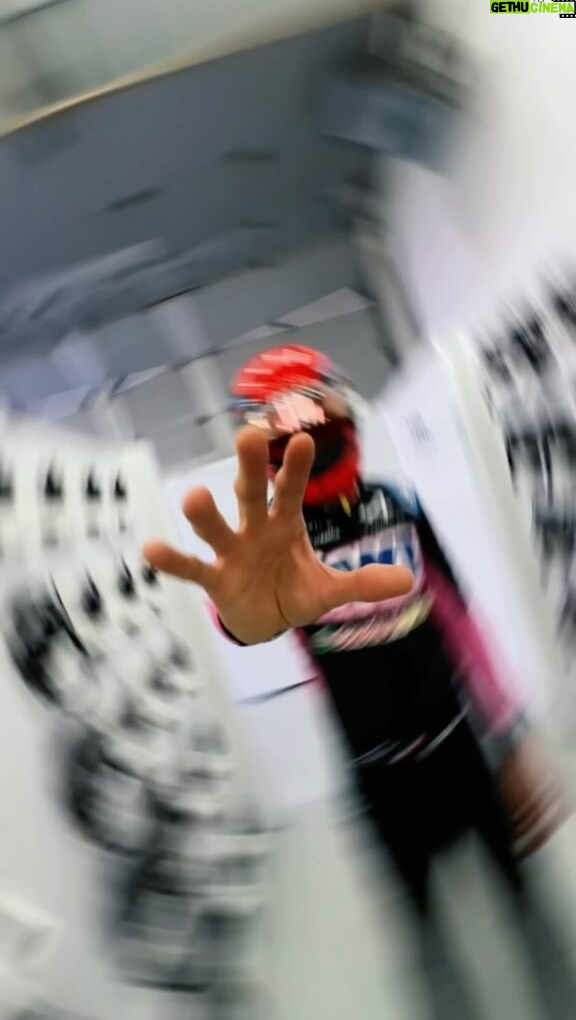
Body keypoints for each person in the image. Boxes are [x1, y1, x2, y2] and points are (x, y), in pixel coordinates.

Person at [145, 344, 572, 1017]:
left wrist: (510, 732)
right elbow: (251, 621)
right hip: (377, 776)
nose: (308, 447)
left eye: (318, 429)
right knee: (425, 941)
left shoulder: (396, 506)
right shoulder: (278, 543)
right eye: (290, 442)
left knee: (530, 910)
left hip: (464, 746)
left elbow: (460, 621)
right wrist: (237, 620)